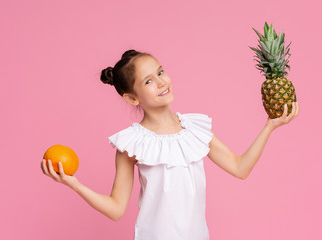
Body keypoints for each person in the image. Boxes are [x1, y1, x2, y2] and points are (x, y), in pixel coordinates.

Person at [41, 49, 299, 240]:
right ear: (132, 98)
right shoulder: (132, 145)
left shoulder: (196, 130)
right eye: (148, 81)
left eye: (160, 72)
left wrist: (269, 127)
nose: (162, 82)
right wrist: (73, 184)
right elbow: (116, 209)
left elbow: (240, 168)